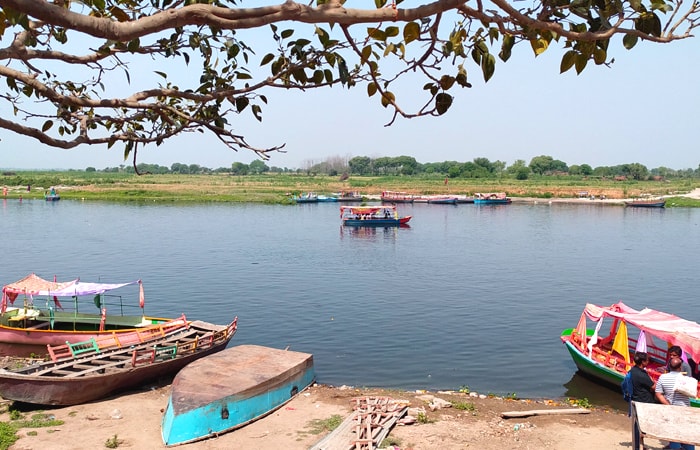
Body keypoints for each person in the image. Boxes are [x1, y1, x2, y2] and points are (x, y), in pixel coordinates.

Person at [655, 357, 696, 450]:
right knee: (686, 434)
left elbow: (658, 394)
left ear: (669, 366)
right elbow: (692, 394)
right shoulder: (686, 379)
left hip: (671, 410)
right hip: (685, 410)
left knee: (673, 433)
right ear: (680, 367)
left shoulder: (663, 377)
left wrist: (667, 404)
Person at [630, 352, 656, 450]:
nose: (648, 362)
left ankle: (640, 445)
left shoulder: (632, 371)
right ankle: (638, 446)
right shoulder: (642, 374)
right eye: (647, 360)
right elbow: (653, 387)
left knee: (638, 424)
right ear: (642, 362)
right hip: (644, 402)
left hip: (635, 399)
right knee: (640, 426)